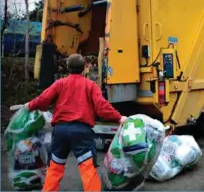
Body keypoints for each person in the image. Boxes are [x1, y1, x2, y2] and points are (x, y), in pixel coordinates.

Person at [22, 54, 128, 192]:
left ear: (67, 68)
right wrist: (119, 118)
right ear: (85, 68)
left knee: (55, 167)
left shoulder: (60, 83)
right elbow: (102, 106)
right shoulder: (90, 85)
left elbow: (43, 99)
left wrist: (29, 105)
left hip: (60, 131)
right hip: (81, 131)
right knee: (87, 169)